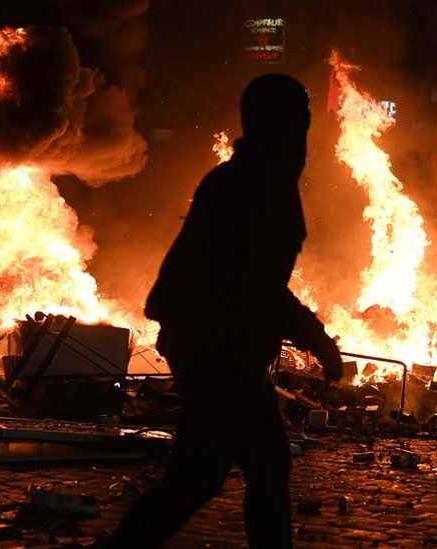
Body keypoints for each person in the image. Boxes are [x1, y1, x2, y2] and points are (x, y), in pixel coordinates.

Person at [109, 74, 343, 548]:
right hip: (219, 350)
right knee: (211, 475)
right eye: (299, 120)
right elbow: (254, 285)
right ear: (282, 124)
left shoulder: (245, 176)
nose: (303, 131)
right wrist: (315, 336)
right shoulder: (257, 184)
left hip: (216, 346)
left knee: (252, 467)